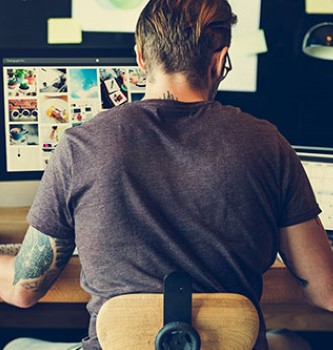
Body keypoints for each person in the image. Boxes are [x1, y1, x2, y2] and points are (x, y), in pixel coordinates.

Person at [1, 0, 333, 349]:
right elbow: (326, 291)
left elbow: (22, 290)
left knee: (18, 345)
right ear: (220, 60)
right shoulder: (267, 144)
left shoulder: (81, 145)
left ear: (141, 57)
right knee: (289, 341)